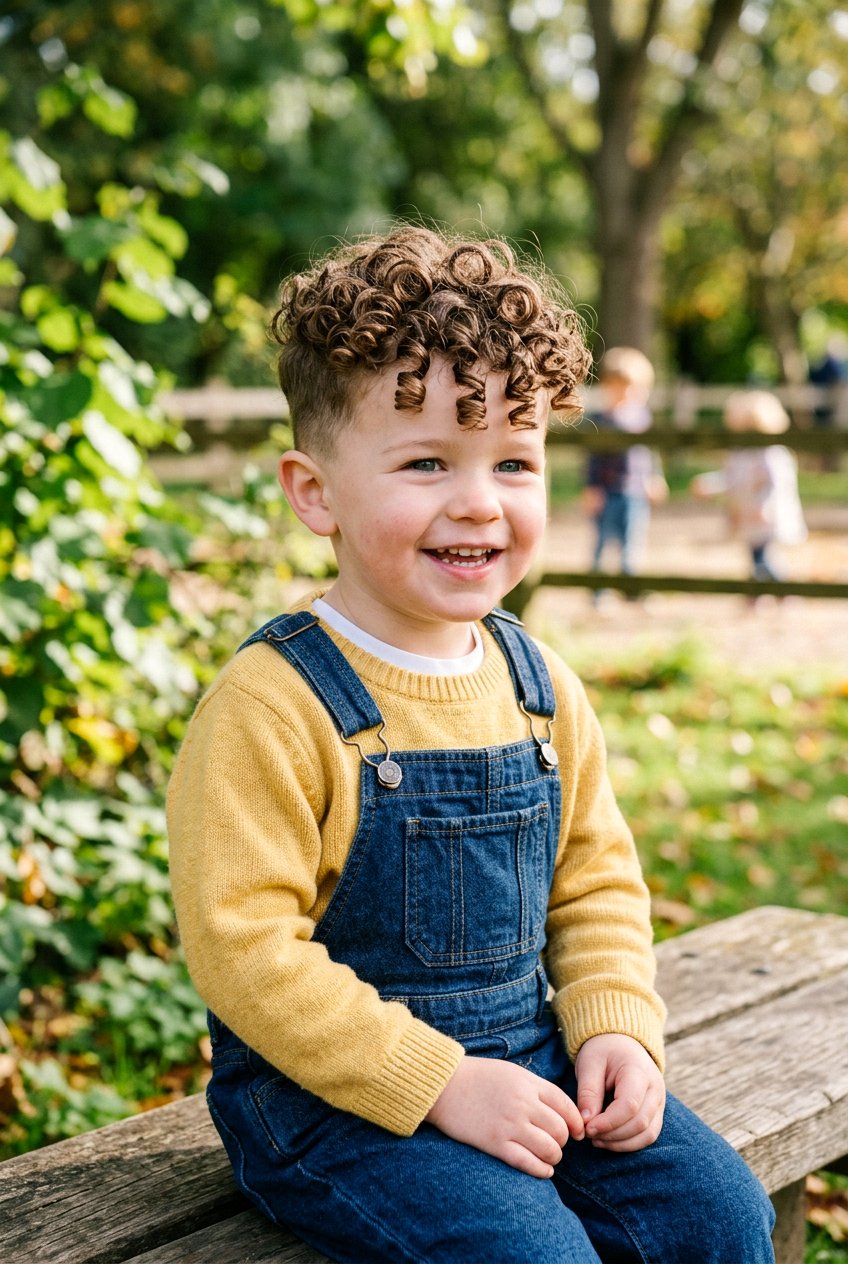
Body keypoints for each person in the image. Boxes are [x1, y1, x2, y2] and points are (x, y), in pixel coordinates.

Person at [167, 225, 775, 1263]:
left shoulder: (534, 684)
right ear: (313, 491)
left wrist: (614, 1027)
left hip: (529, 1057)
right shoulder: (272, 704)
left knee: (717, 1217)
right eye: (425, 461)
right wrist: (437, 1082)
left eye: (512, 457)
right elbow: (246, 954)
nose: (478, 500)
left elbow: (594, 885)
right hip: (330, 1097)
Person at [691, 389, 806, 583]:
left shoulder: (772, 454)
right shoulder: (739, 454)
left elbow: (777, 483)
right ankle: (767, 591)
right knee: (757, 555)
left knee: (763, 556)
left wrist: (766, 505)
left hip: (767, 517)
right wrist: (709, 484)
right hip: (748, 515)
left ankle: (771, 590)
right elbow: (732, 479)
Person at [582, 347, 667, 595]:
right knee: (602, 542)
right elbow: (593, 458)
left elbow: (648, 453)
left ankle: (631, 591)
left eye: (633, 388)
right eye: (620, 387)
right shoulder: (599, 420)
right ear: (608, 386)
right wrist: (591, 487)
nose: (627, 394)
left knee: (633, 542)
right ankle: (598, 593)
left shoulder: (642, 419)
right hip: (607, 491)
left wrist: (655, 477)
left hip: (635, 491)